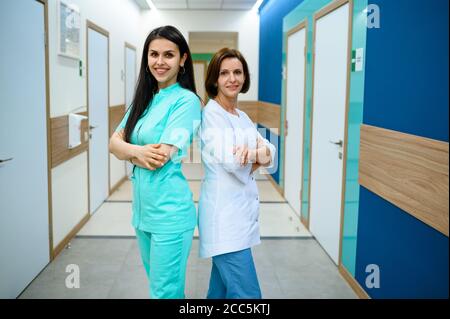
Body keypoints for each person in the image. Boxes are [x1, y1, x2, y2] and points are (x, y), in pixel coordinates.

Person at [109, 25, 201, 299]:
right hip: (143, 213)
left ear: (183, 59)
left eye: (168, 55)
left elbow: (159, 157)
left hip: (170, 214)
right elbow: (112, 144)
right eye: (153, 54)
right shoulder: (144, 99)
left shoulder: (187, 101)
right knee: (162, 290)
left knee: (165, 294)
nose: (159, 62)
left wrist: (128, 150)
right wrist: (136, 151)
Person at [198, 48, 276, 299]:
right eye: (224, 73)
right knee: (248, 297)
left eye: (237, 72)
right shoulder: (211, 115)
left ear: (245, 77)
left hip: (240, 221)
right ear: (214, 80)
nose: (232, 78)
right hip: (225, 223)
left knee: (218, 293)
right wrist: (257, 154)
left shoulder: (242, 116)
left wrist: (252, 153)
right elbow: (233, 163)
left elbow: (271, 153)